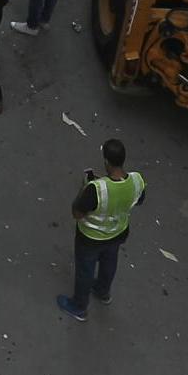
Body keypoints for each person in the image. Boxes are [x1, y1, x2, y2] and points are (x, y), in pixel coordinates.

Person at [57, 136, 145, 322]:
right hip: (118, 233)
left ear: (106, 161)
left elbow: (77, 213)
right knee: (109, 262)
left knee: (85, 271)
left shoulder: (96, 189)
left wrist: (84, 188)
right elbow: (138, 200)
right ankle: (103, 291)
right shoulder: (137, 181)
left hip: (90, 238)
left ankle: (79, 307)